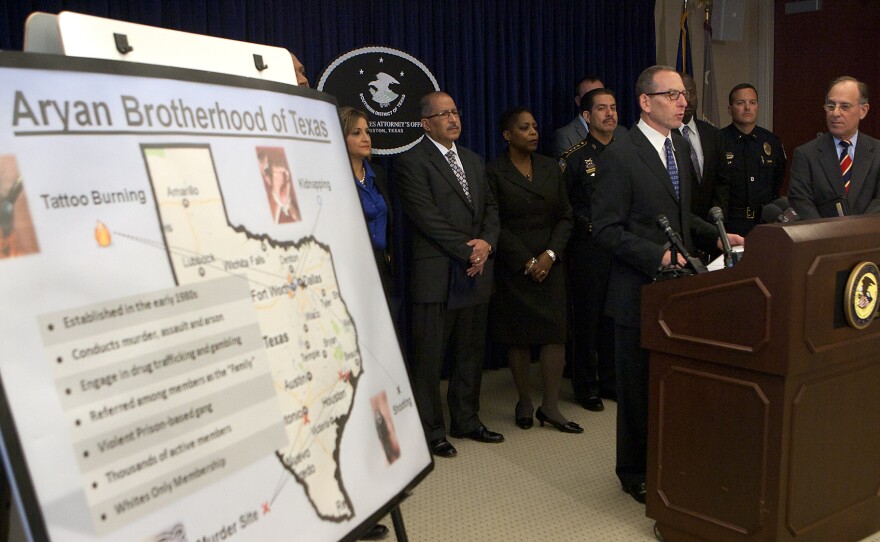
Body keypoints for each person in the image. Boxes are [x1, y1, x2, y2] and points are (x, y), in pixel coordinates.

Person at [591, 65, 744, 504]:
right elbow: (604, 229)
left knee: (671, 385)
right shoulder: (620, 153)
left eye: (684, 95)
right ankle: (633, 472)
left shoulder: (677, 145)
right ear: (645, 101)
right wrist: (657, 255)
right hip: (637, 291)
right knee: (638, 390)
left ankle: (666, 459)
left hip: (679, 291)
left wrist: (713, 234)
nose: (683, 102)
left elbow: (679, 217)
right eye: (672, 95)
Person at [395, 91, 503, 458]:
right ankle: (431, 431)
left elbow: (490, 206)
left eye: (456, 112)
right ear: (426, 124)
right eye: (444, 114)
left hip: (475, 271)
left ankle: (467, 420)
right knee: (429, 357)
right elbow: (426, 218)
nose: (453, 119)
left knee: (470, 352)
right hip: (436, 274)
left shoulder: (473, 159)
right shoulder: (411, 161)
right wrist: (468, 250)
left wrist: (487, 243)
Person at [486, 107, 580, 433]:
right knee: (519, 335)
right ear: (507, 135)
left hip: (550, 262)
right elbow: (494, 222)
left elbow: (566, 216)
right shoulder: (494, 171)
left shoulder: (551, 168)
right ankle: (525, 401)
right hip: (516, 266)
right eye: (524, 128)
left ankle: (550, 406)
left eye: (535, 126)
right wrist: (527, 261)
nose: (533, 132)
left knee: (555, 333)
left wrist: (550, 255)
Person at [559, 88, 620, 413]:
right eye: (601, 109)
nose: (609, 114)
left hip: (622, 250)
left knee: (614, 317)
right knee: (587, 320)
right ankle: (586, 386)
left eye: (613, 108)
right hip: (588, 249)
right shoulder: (574, 158)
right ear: (586, 116)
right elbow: (562, 207)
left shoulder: (628, 153)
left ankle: (611, 381)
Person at [788, 76, 880, 219]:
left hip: (868, 238)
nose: (835, 113)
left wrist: (855, 234)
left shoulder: (877, 152)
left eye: (844, 106)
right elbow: (802, 203)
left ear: (863, 110)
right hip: (822, 238)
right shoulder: (806, 154)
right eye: (831, 106)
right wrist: (832, 237)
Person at [340, 107, 396, 311]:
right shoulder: (334, 177)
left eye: (367, 131)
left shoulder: (378, 174)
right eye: (356, 132)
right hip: (350, 271)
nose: (366, 138)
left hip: (381, 268)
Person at [719, 83, 786, 235]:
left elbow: (778, 179)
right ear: (730, 109)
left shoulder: (771, 141)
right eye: (740, 103)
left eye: (752, 102)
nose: (747, 107)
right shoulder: (718, 140)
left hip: (765, 223)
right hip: (731, 225)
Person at [678, 73, 727, 223]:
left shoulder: (713, 134)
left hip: (711, 223)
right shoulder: (665, 135)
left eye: (691, 93)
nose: (687, 100)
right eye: (682, 94)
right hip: (679, 224)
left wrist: (717, 215)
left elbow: (722, 181)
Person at [258, 150, 301, 223]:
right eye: (265, 162)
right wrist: (286, 176)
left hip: (278, 194)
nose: (266, 165)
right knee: (289, 210)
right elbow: (271, 180)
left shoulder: (272, 168)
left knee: (290, 210)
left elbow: (272, 180)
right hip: (278, 194)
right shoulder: (272, 168)